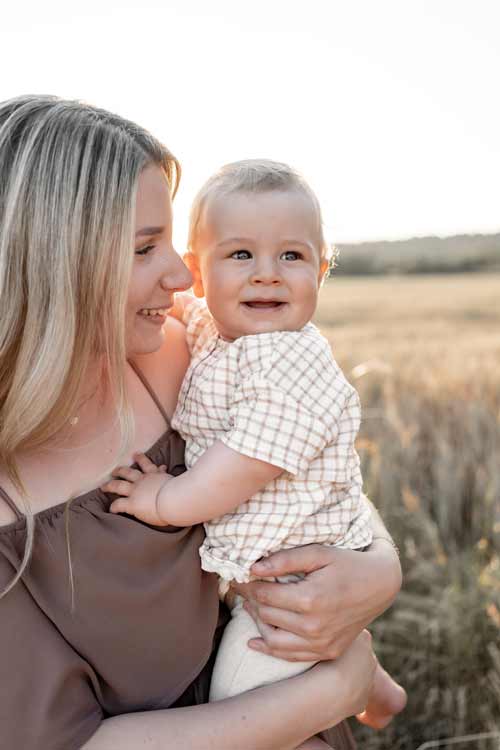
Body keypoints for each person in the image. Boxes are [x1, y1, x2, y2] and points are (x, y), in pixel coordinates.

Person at [0, 95, 401, 750]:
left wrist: (379, 571)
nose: (182, 274)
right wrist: (338, 689)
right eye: (145, 248)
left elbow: (302, 480)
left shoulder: (182, 353)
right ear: (50, 263)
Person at [104, 159, 407, 740]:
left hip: (289, 575)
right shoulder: (214, 331)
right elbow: (182, 310)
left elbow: (240, 468)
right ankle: (375, 686)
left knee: (244, 695)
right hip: (274, 551)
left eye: (291, 257)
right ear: (196, 271)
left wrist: (163, 500)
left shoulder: (289, 360)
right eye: (241, 256)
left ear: (322, 270)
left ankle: (361, 687)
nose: (267, 275)